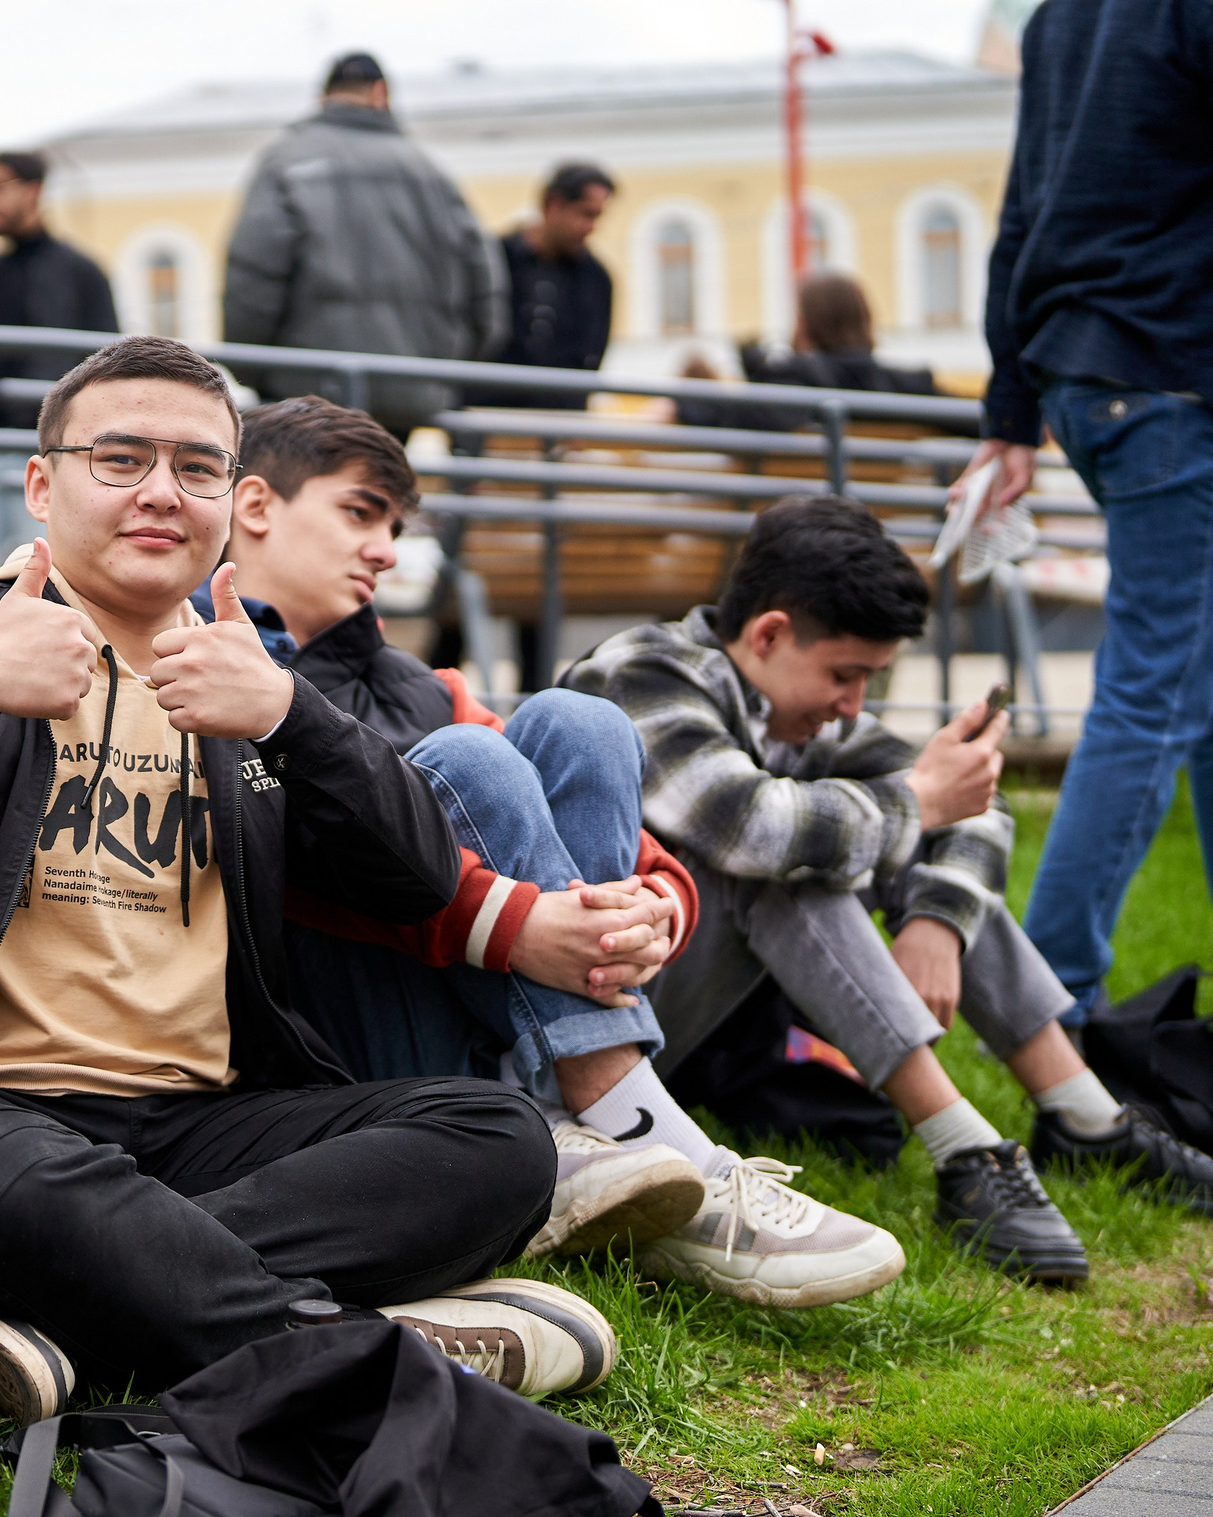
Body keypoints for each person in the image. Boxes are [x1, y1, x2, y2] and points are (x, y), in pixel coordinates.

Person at [0, 336, 599, 1427]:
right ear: (41, 484)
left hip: (199, 1125)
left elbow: (413, 880)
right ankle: (341, 1345)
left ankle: (90, 1304)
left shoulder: (243, 677)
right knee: (38, 1197)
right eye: (120, 460)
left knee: (498, 1141)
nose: (161, 494)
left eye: (197, 467)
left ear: (230, 496)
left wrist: (289, 715)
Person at [210, 397, 905, 1308]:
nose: (386, 548)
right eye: (359, 512)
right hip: (340, 1043)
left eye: (395, 526)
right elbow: (294, 863)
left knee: (577, 723)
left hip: (484, 1023)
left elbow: (630, 845)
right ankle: (639, 1124)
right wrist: (515, 925)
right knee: (466, 761)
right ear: (255, 505)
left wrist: (656, 904)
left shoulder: (420, 683)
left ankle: (590, 1119)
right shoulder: (205, 662)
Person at [564, 496, 1213, 1283]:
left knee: (876, 826)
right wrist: (923, 801)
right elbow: (751, 828)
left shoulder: (786, 707)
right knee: (795, 852)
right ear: (768, 633)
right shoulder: (638, 671)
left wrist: (938, 919)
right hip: (581, 1039)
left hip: (690, 1023)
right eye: (846, 674)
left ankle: (1084, 1115)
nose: (854, 704)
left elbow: (978, 803)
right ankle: (964, 1149)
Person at [958, 0, 1213, 1027]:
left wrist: (1009, 411)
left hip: (1084, 373)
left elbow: (1019, 211)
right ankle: (1052, 1004)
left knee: (1191, 686)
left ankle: (1055, 993)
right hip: (1170, 375)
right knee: (1152, 694)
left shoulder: (1059, 15)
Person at [222, 52, 506, 441]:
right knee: (378, 495)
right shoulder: (428, 171)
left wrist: (257, 370)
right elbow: (485, 290)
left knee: (311, 496)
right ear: (381, 92)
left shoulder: (285, 162)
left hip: (306, 397)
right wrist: (443, 373)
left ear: (323, 96)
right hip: (410, 395)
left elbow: (251, 283)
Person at [0, 150, 121, 595]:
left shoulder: (80, 272)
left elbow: (107, 361)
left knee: (54, 581)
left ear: (31, 190)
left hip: (52, 450)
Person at [676, 274, 938, 434]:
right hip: (884, 510)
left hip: (807, 516)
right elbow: (971, 417)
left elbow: (728, 418)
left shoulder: (796, 381)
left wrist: (679, 405)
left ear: (805, 324)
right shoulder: (901, 386)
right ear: (864, 320)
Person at [467, 163, 618, 411]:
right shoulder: (494, 260)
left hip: (557, 423)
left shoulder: (596, 279)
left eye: (598, 216)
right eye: (586, 214)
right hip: (487, 414)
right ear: (553, 204)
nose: (591, 227)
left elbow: (591, 360)